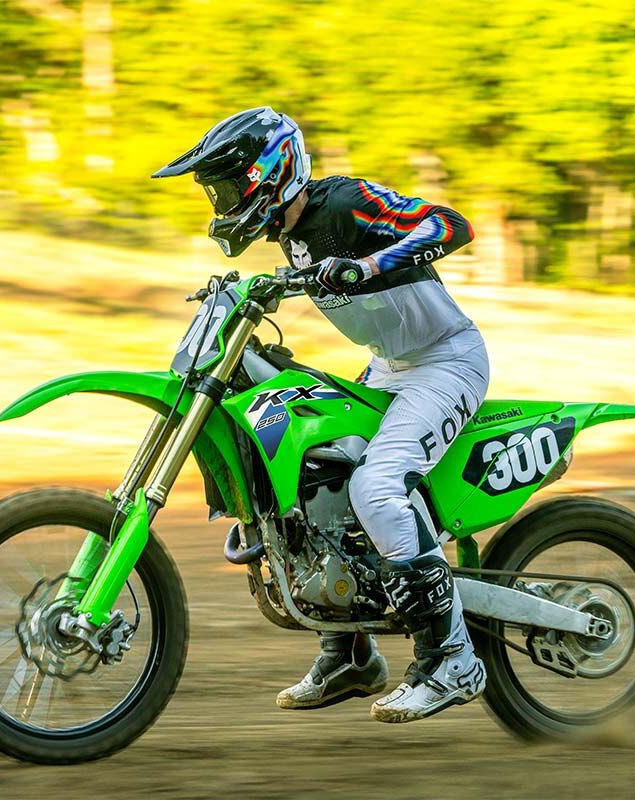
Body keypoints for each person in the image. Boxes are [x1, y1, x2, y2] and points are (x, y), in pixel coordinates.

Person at [152, 106, 487, 723]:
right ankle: (349, 654)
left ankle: (452, 658)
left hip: (446, 363)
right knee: (316, 484)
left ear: (268, 173)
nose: (222, 203)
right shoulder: (290, 234)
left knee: (376, 488)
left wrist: (366, 265)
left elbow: (450, 224)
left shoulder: (346, 202)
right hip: (389, 369)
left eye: (227, 188)